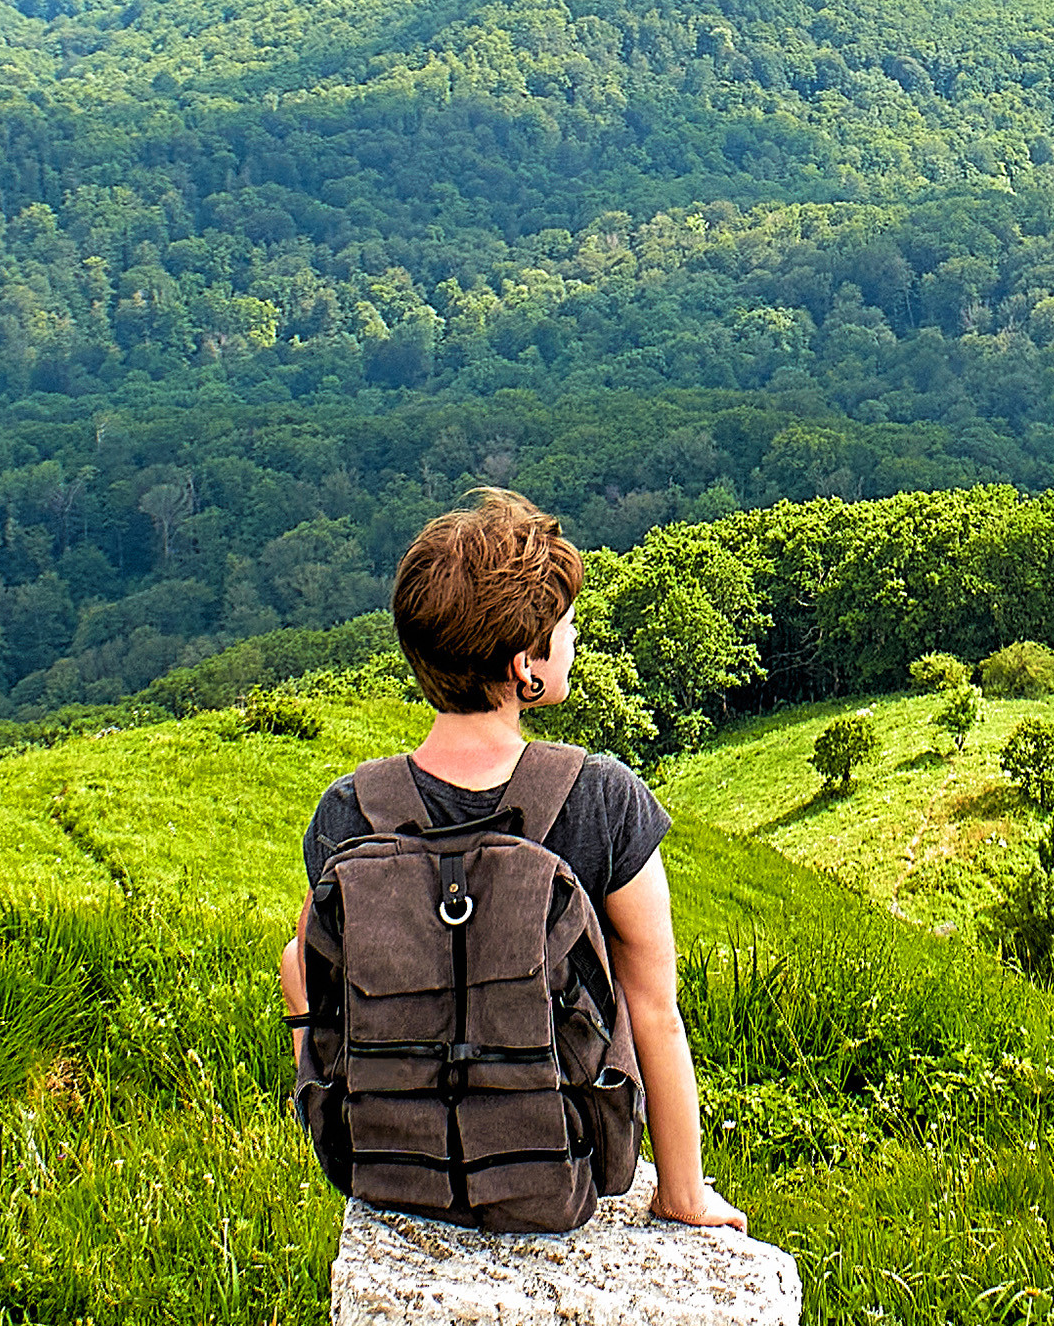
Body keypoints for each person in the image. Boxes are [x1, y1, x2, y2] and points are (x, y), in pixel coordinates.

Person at [287, 488, 746, 1234]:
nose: (575, 639)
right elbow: (655, 1009)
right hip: (558, 1169)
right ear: (524, 667)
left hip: (388, 1169)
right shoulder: (601, 800)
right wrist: (682, 1194)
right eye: (565, 629)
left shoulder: (349, 812)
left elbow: (306, 971)